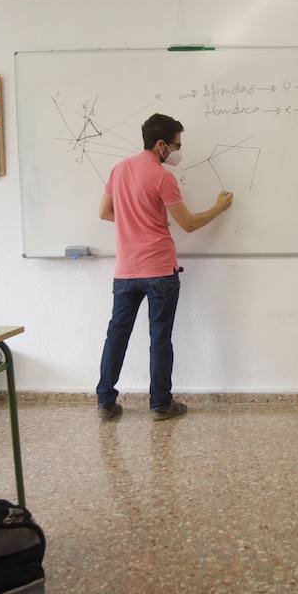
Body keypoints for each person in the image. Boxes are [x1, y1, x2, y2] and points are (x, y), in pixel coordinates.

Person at [95, 113, 233, 421]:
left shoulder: (119, 170)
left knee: (116, 335)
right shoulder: (162, 177)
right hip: (159, 270)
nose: (178, 151)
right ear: (161, 145)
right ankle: (160, 405)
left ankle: (105, 402)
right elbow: (188, 224)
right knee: (159, 337)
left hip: (126, 272)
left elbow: (105, 212)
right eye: (176, 145)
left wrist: (134, 220)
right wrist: (218, 208)